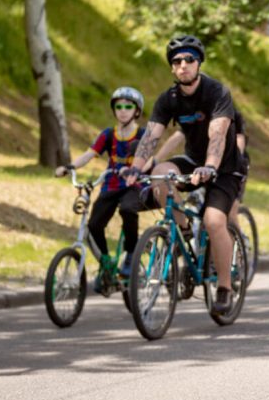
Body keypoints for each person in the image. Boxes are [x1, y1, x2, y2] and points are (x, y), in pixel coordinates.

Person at [126, 35, 244, 314]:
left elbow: (218, 134)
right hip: (193, 159)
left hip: (224, 166)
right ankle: (184, 230)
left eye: (189, 59)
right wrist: (134, 169)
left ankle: (225, 288)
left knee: (215, 221)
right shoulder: (168, 99)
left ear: (198, 62)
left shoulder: (217, 92)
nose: (183, 65)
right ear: (172, 68)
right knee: (161, 173)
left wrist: (211, 166)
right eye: (177, 61)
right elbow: (151, 137)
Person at [55, 87, 147, 280]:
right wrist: (69, 167)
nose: (123, 110)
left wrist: (135, 170)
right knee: (94, 225)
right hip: (111, 185)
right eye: (119, 106)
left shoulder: (142, 134)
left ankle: (131, 255)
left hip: (134, 185)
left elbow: (150, 159)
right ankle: (106, 263)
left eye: (128, 106)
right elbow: (90, 154)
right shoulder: (108, 134)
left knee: (128, 210)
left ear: (136, 111)